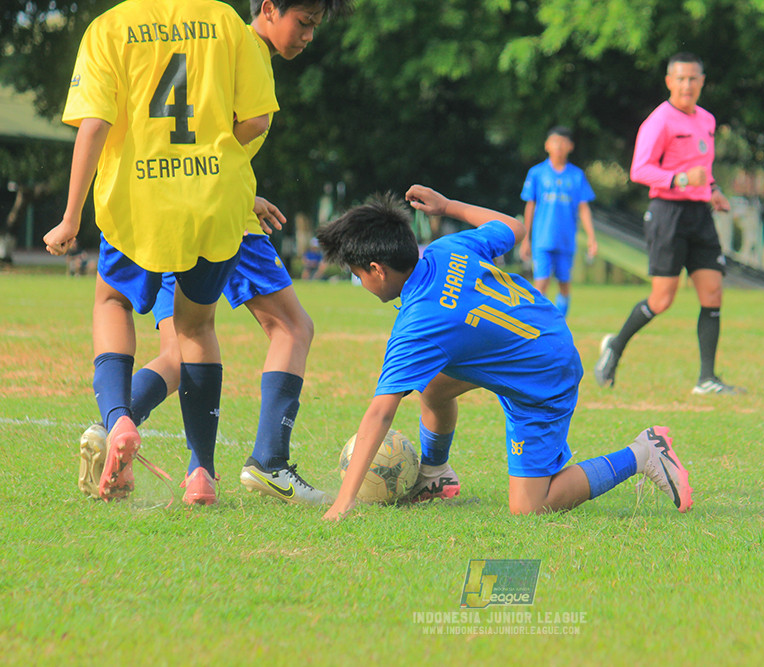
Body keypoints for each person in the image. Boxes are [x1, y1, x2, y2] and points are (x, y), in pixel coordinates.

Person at [74, 0, 348, 507]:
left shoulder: (158, 33)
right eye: (304, 23)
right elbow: (250, 123)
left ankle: (113, 420)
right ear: (268, 9)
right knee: (290, 328)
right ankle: (268, 462)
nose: (308, 36)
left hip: (156, 210)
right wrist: (236, 183)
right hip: (223, 217)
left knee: (178, 347)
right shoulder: (233, 41)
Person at [315, 185, 693, 521]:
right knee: (431, 385)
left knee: (530, 505)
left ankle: (643, 453)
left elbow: (380, 411)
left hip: (544, 375)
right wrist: (447, 205)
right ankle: (433, 474)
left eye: (357, 274)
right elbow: (514, 226)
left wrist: (343, 502)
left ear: (377, 270)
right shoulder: (449, 248)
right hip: (546, 333)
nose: (361, 282)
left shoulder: (418, 324)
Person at [45, 0, 279, 503]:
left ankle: (120, 418)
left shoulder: (110, 27)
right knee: (196, 328)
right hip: (213, 204)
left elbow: (94, 125)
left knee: (112, 302)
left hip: (137, 204)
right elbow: (257, 120)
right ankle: (201, 474)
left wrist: (70, 217)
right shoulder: (225, 22)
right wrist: (214, 161)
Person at [594, 52, 743, 395]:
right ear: (669, 82)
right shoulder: (659, 121)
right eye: (680, 79)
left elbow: (702, 168)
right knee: (662, 300)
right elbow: (639, 170)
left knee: (712, 293)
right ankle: (615, 346)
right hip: (667, 214)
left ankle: (707, 380)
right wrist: (679, 179)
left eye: (693, 78)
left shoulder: (707, 119)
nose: (687, 85)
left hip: (700, 215)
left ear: (702, 82)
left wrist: (714, 190)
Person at [518, 126, 598, 316]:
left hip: (566, 239)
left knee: (564, 284)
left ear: (570, 146)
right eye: (555, 142)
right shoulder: (537, 173)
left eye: (563, 142)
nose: (559, 146)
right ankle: (536, 323)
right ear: (547, 145)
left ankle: (560, 322)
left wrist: (591, 237)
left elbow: (583, 207)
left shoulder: (577, 175)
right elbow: (530, 206)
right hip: (543, 238)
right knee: (541, 283)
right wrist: (526, 238)